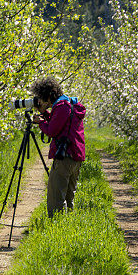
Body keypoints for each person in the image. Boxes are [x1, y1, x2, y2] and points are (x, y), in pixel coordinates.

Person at [30, 76, 86, 218]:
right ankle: (67, 227)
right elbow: (60, 123)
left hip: (65, 156)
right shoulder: (68, 103)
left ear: (48, 96)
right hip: (75, 156)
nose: (41, 101)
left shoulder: (62, 107)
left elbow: (53, 131)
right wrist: (44, 114)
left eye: (42, 98)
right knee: (68, 196)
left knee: (56, 197)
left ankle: (56, 226)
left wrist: (40, 123)